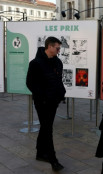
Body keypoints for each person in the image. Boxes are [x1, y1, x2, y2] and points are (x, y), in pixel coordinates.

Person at [26, 37, 66, 171]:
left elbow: (58, 80)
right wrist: (43, 97)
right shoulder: (35, 63)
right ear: (49, 47)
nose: (59, 51)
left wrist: (61, 94)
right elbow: (30, 83)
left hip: (53, 101)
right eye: (57, 48)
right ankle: (53, 159)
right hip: (42, 102)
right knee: (48, 129)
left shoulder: (58, 62)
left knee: (45, 126)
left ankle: (40, 153)